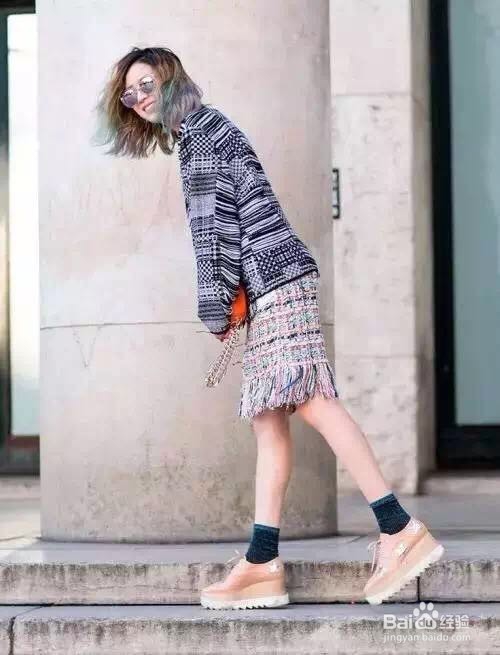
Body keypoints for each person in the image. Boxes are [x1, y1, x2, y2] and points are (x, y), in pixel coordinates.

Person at [92, 46, 444, 609]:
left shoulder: (201, 136)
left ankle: (398, 528)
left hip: (275, 279)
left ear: (170, 79)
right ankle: (262, 561)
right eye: (129, 95)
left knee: (313, 402)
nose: (137, 99)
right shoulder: (205, 128)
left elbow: (215, 234)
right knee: (269, 420)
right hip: (275, 280)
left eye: (145, 84)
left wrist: (214, 309)